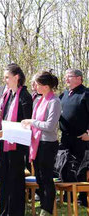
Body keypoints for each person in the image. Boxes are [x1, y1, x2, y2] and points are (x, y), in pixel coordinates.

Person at [0, 63, 33, 216]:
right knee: (4, 179)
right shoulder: (7, 95)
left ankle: (15, 212)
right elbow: (2, 116)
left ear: (17, 77)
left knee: (15, 180)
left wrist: (10, 130)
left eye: (7, 77)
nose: (5, 81)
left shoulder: (25, 96)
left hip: (17, 144)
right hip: (4, 142)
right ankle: (4, 211)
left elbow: (26, 122)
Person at [21, 71, 61, 215]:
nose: (34, 87)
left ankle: (47, 209)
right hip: (36, 143)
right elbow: (37, 123)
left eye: (37, 84)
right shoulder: (39, 100)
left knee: (46, 177)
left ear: (45, 86)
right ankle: (44, 205)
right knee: (38, 177)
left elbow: (50, 126)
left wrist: (32, 122)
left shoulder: (54, 101)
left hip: (47, 144)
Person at [59, 68, 89, 206]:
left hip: (82, 138)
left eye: (69, 76)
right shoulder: (64, 95)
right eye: (66, 76)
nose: (66, 79)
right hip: (66, 138)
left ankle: (83, 198)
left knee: (81, 168)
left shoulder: (86, 94)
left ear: (79, 78)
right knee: (65, 166)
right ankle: (68, 196)